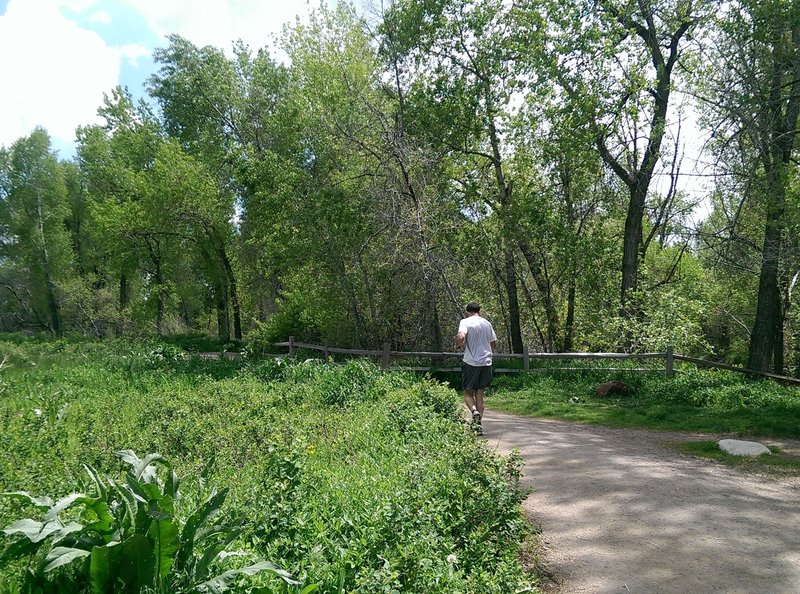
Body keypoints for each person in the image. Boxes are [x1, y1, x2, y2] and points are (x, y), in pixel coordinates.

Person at [455, 302, 497, 435]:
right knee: (479, 393)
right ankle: (478, 426)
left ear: (467, 311)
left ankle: (474, 411)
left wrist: (458, 345)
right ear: (479, 311)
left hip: (471, 362)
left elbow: (461, 336)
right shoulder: (487, 323)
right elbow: (493, 342)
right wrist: (491, 352)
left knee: (468, 393)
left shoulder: (465, 322)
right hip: (486, 362)